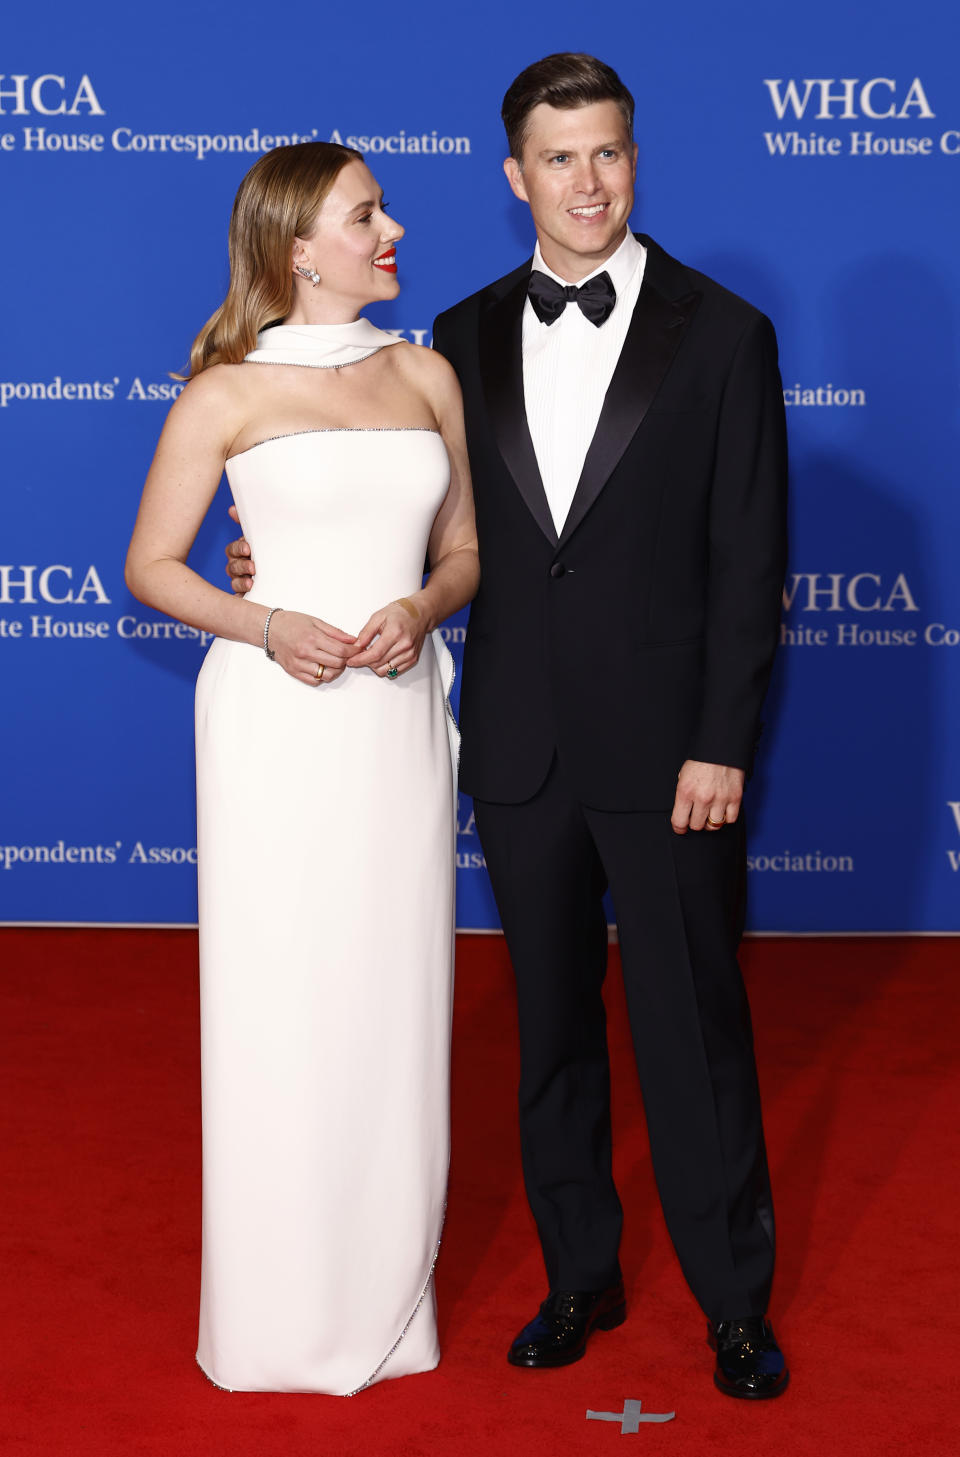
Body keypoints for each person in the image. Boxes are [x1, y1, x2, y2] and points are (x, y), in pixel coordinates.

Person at [229, 54, 790, 1399]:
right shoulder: (459, 337)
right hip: (517, 748)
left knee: (692, 1029)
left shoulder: (724, 333)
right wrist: (279, 579)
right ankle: (578, 1275)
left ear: (633, 160)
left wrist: (722, 742)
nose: (586, 182)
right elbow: (420, 523)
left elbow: (748, 555)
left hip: (672, 758)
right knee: (549, 1033)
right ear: (514, 175)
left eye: (607, 154)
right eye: (558, 158)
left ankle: (732, 1302)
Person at [125, 141, 479, 1395]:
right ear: (297, 246)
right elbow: (155, 566)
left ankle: (390, 1297)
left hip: (392, 722)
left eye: (381, 209)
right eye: (365, 213)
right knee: (282, 994)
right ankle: (275, 1311)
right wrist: (269, 625)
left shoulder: (426, 372)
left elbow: (466, 551)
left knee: (391, 992)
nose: (393, 229)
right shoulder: (224, 393)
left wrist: (426, 606)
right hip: (275, 724)